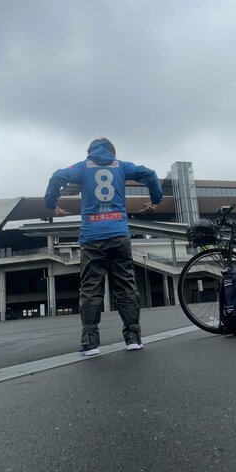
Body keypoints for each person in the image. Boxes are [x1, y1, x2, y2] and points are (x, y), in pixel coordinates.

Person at [44, 137, 163, 356]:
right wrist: (155, 200)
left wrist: (51, 205)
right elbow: (150, 174)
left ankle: (91, 343)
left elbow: (57, 176)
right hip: (119, 233)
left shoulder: (82, 167)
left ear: (90, 151)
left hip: (92, 236)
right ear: (112, 151)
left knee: (91, 289)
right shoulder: (122, 166)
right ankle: (133, 339)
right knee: (126, 286)